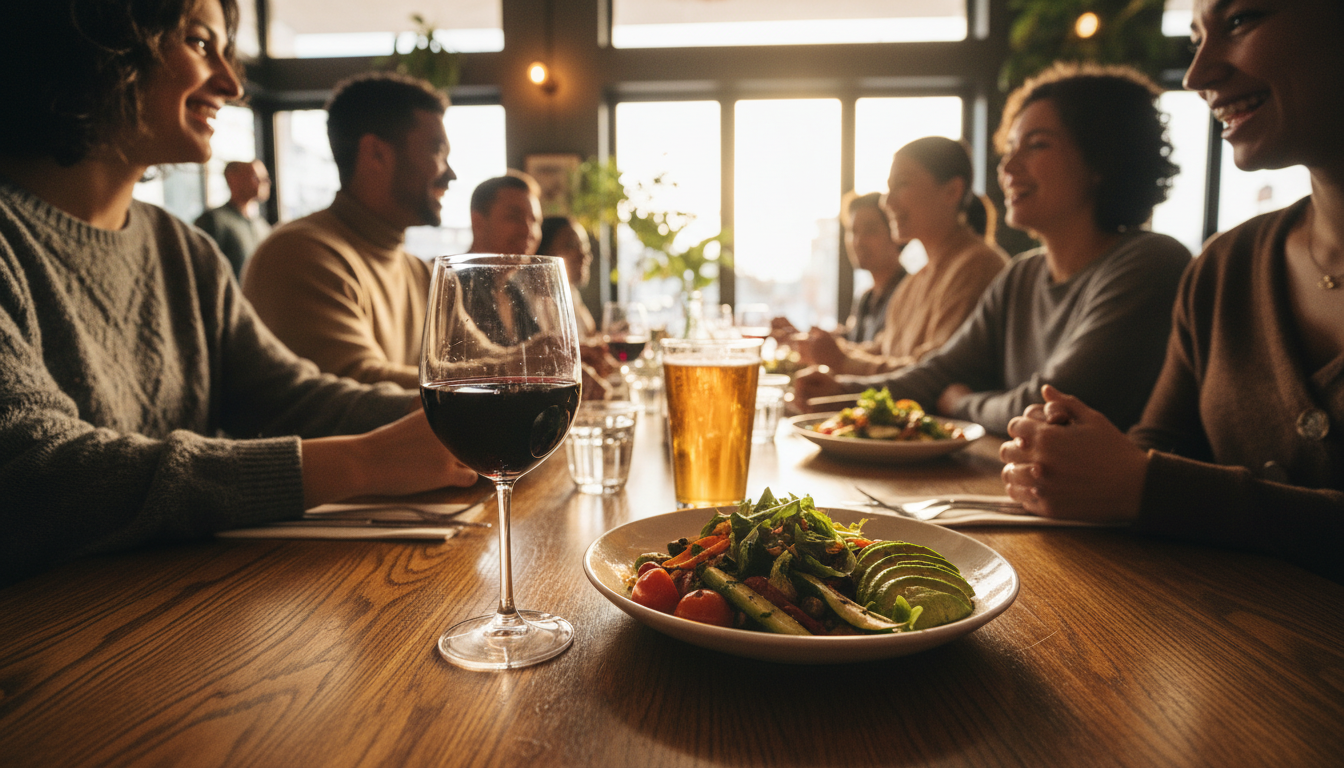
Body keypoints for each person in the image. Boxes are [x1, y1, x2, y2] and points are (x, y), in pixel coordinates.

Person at [0, 0, 476, 583]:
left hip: (180, 607)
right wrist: (360, 462)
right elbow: (34, 478)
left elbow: (290, 396)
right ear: (98, 42)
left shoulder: (184, 249)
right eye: (201, 43)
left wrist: (459, 416)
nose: (231, 84)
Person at [999, 0, 1344, 583]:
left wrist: (1144, 486)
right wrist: (1090, 467)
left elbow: (1148, 479)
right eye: (1196, 38)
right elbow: (1155, 449)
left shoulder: (1155, 261)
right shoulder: (1225, 267)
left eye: (1240, 20)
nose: (1196, 74)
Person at [795, 63, 1191, 436]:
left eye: (1036, 145)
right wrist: (839, 390)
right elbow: (941, 371)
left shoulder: (1149, 264)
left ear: (1102, 159)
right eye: (1011, 147)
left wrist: (963, 404)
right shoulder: (1022, 274)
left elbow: (1052, 406)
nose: (1008, 166)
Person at [242, 73, 453, 389]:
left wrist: (524, 362)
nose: (451, 174)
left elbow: (478, 359)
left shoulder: (418, 272)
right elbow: (360, 385)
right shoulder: (300, 254)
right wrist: (496, 380)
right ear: (375, 154)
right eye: (437, 152)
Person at [800, 138, 1008, 375]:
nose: (886, 201)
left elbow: (936, 374)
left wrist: (843, 361)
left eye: (902, 184)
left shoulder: (976, 267)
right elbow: (884, 351)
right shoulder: (914, 284)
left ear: (952, 191)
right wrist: (822, 349)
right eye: (889, 188)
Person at [194, 159, 271, 278]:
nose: (265, 182)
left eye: (265, 177)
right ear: (233, 179)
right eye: (256, 177)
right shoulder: (213, 221)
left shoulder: (262, 225)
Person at [537, 215, 598, 337]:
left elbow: (590, 334)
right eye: (571, 246)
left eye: (584, 246)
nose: (583, 254)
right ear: (544, 251)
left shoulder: (570, 293)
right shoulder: (533, 301)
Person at [469, 173, 542, 256]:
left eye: (534, 220)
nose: (527, 230)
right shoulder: (456, 264)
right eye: (514, 217)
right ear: (477, 222)